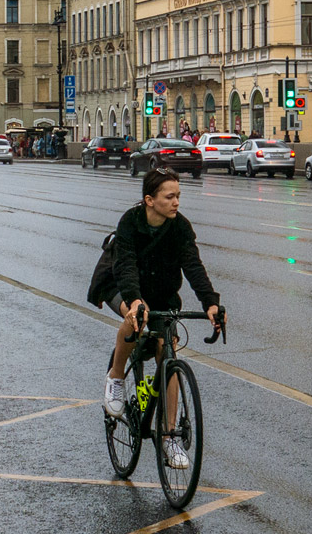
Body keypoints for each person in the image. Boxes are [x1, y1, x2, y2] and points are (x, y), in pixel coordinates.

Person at [100, 168, 223, 471]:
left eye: (178, 196)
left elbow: (193, 266)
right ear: (149, 200)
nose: (176, 202)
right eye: (170, 197)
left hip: (162, 294)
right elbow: (126, 265)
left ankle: (169, 437)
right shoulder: (131, 222)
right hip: (121, 285)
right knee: (133, 319)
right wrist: (135, 300)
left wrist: (210, 303)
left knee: (165, 352)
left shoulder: (180, 227)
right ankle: (115, 378)